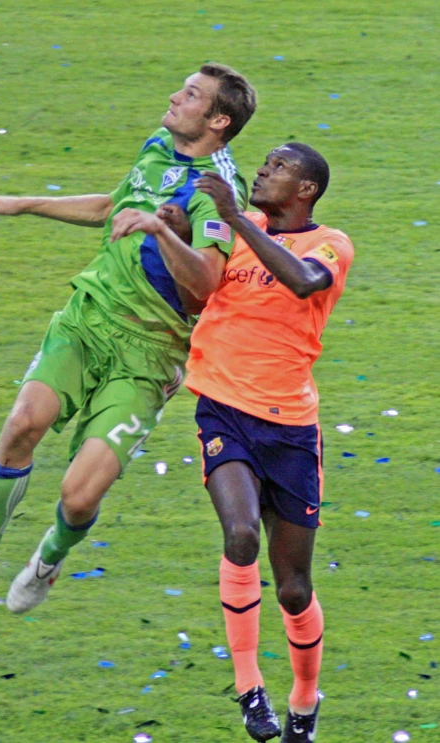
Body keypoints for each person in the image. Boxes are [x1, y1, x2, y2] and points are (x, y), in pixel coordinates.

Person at [0, 63, 256, 614]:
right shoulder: (156, 148)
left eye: (189, 95)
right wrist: (22, 203)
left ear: (218, 120)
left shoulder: (219, 188)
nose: (173, 96)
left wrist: (161, 229)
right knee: (23, 425)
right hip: (87, 317)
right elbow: (110, 207)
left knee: (78, 497)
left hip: (149, 352)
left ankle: (48, 559)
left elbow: (207, 285)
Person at [182, 144, 354, 742]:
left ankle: (304, 702)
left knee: (293, 586)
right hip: (224, 412)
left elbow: (306, 282)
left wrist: (234, 220)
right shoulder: (235, 231)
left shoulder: (330, 243)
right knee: (239, 534)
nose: (262, 171)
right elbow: (197, 286)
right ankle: (250, 687)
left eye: (278, 168)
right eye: (263, 164)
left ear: (306, 190)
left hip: (289, 431)